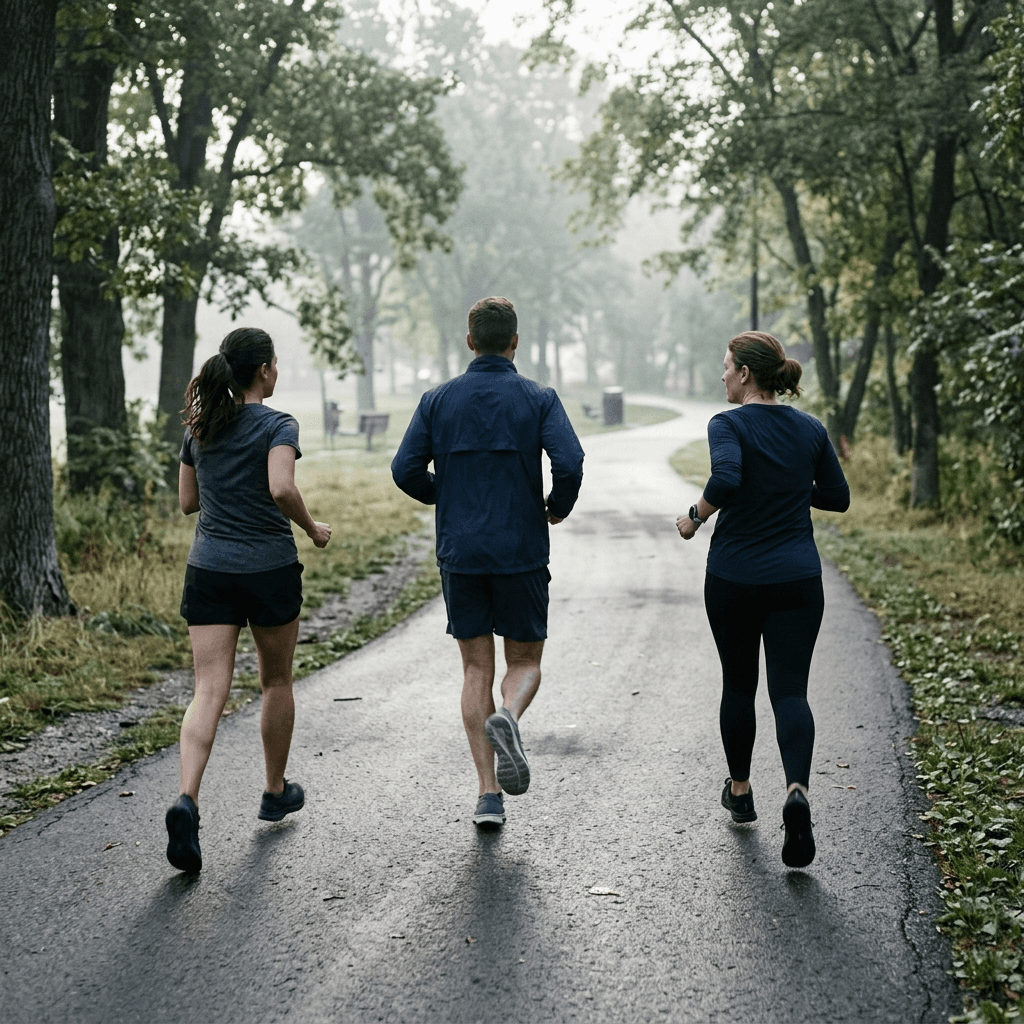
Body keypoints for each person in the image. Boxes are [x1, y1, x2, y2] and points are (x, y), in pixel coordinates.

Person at [392, 297, 584, 830]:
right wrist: (555, 507)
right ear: (515, 341)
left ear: (470, 340)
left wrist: (445, 495)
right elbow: (569, 461)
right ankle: (511, 717)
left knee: (476, 666)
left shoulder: (437, 400)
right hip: (521, 549)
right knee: (523, 660)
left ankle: (487, 795)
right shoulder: (538, 398)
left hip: (462, 551)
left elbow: (404, 468)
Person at [676, 331, 850, 868]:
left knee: (739, 684)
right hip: (798, 577)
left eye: (726, 367)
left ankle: (743, 791)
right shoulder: (810, 428)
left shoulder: (726, 424)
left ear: (746, 374)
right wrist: (792, 488)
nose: (722, 376)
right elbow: (838, 497)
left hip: (734, 576)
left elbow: (727, 477)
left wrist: (694, 517)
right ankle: (796, 791)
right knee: (790, 692)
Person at [165, 327, 332, 873]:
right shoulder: (278, 425)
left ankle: (187, 798)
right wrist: (312, 528)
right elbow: (282, 487)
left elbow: (188, 502)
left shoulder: (200, 426)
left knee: (208, 689)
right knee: (275, 681)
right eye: (275, 364)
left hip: (209, 570)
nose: (277, 371)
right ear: (263, 371)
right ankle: (273, 790)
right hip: (268, 570)